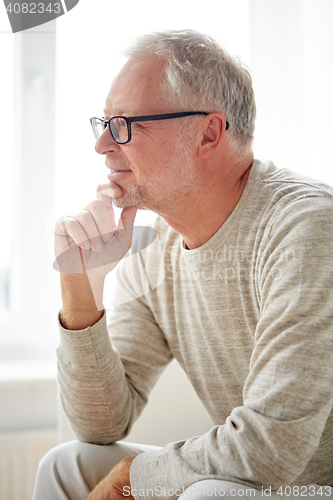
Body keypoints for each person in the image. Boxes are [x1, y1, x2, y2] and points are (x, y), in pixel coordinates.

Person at [33, 29, 333, 500]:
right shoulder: (153, 246)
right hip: (260, 482)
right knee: (67, 464)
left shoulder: (306, 229)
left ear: (208, 133)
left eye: (126, 124)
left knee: (206, 495)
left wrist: (134, 476)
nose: (103, 146)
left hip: (316, 487)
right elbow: (101, 424)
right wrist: (80, 287)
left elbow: (271, 448)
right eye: (104, 123)